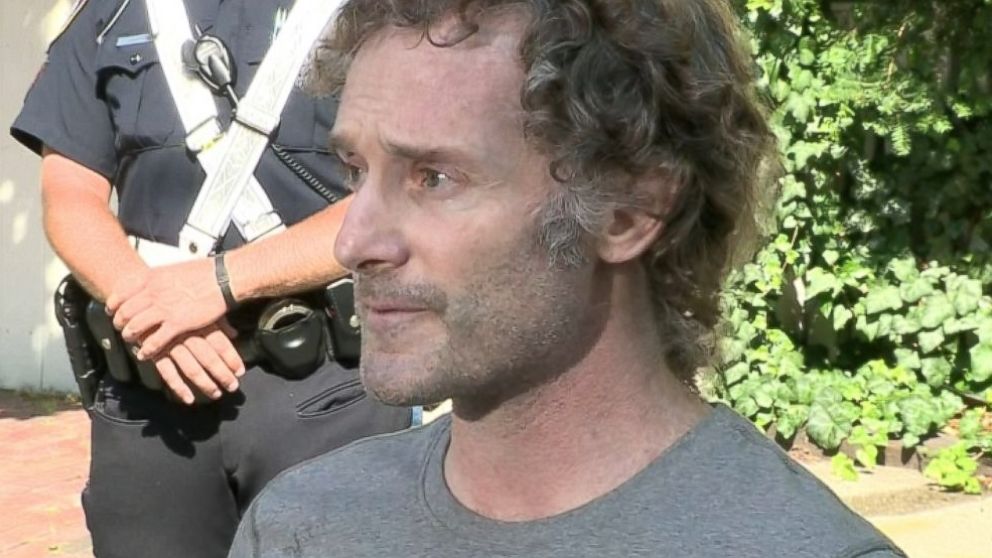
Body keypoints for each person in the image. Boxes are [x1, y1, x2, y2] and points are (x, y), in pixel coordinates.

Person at [226, 1, 908, 557]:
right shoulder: (301, 528)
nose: (353, 242)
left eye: (433, 178)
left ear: (629, 210)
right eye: (354, 171)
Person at [10, 1, 412, 557]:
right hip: (153, 393)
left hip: (328, 392)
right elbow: (68, 196)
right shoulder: (113, 11)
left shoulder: (385, 12)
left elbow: (397, 196)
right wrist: (151, 307)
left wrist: (217, 284)